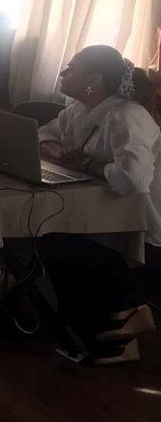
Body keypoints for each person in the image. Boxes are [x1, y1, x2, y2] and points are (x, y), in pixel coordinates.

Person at [35, 46, 160, 362]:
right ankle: (104, 326)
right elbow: (41, 135)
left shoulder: (127, 116)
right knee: (49, 235)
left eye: (71, 68)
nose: (63, 73)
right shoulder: (79, 110)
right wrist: (60, 153)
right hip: (109, 216)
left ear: (94, 80)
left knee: (57, 242)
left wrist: (89, 166)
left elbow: (134, 179)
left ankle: (118, 319)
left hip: (144, 230)